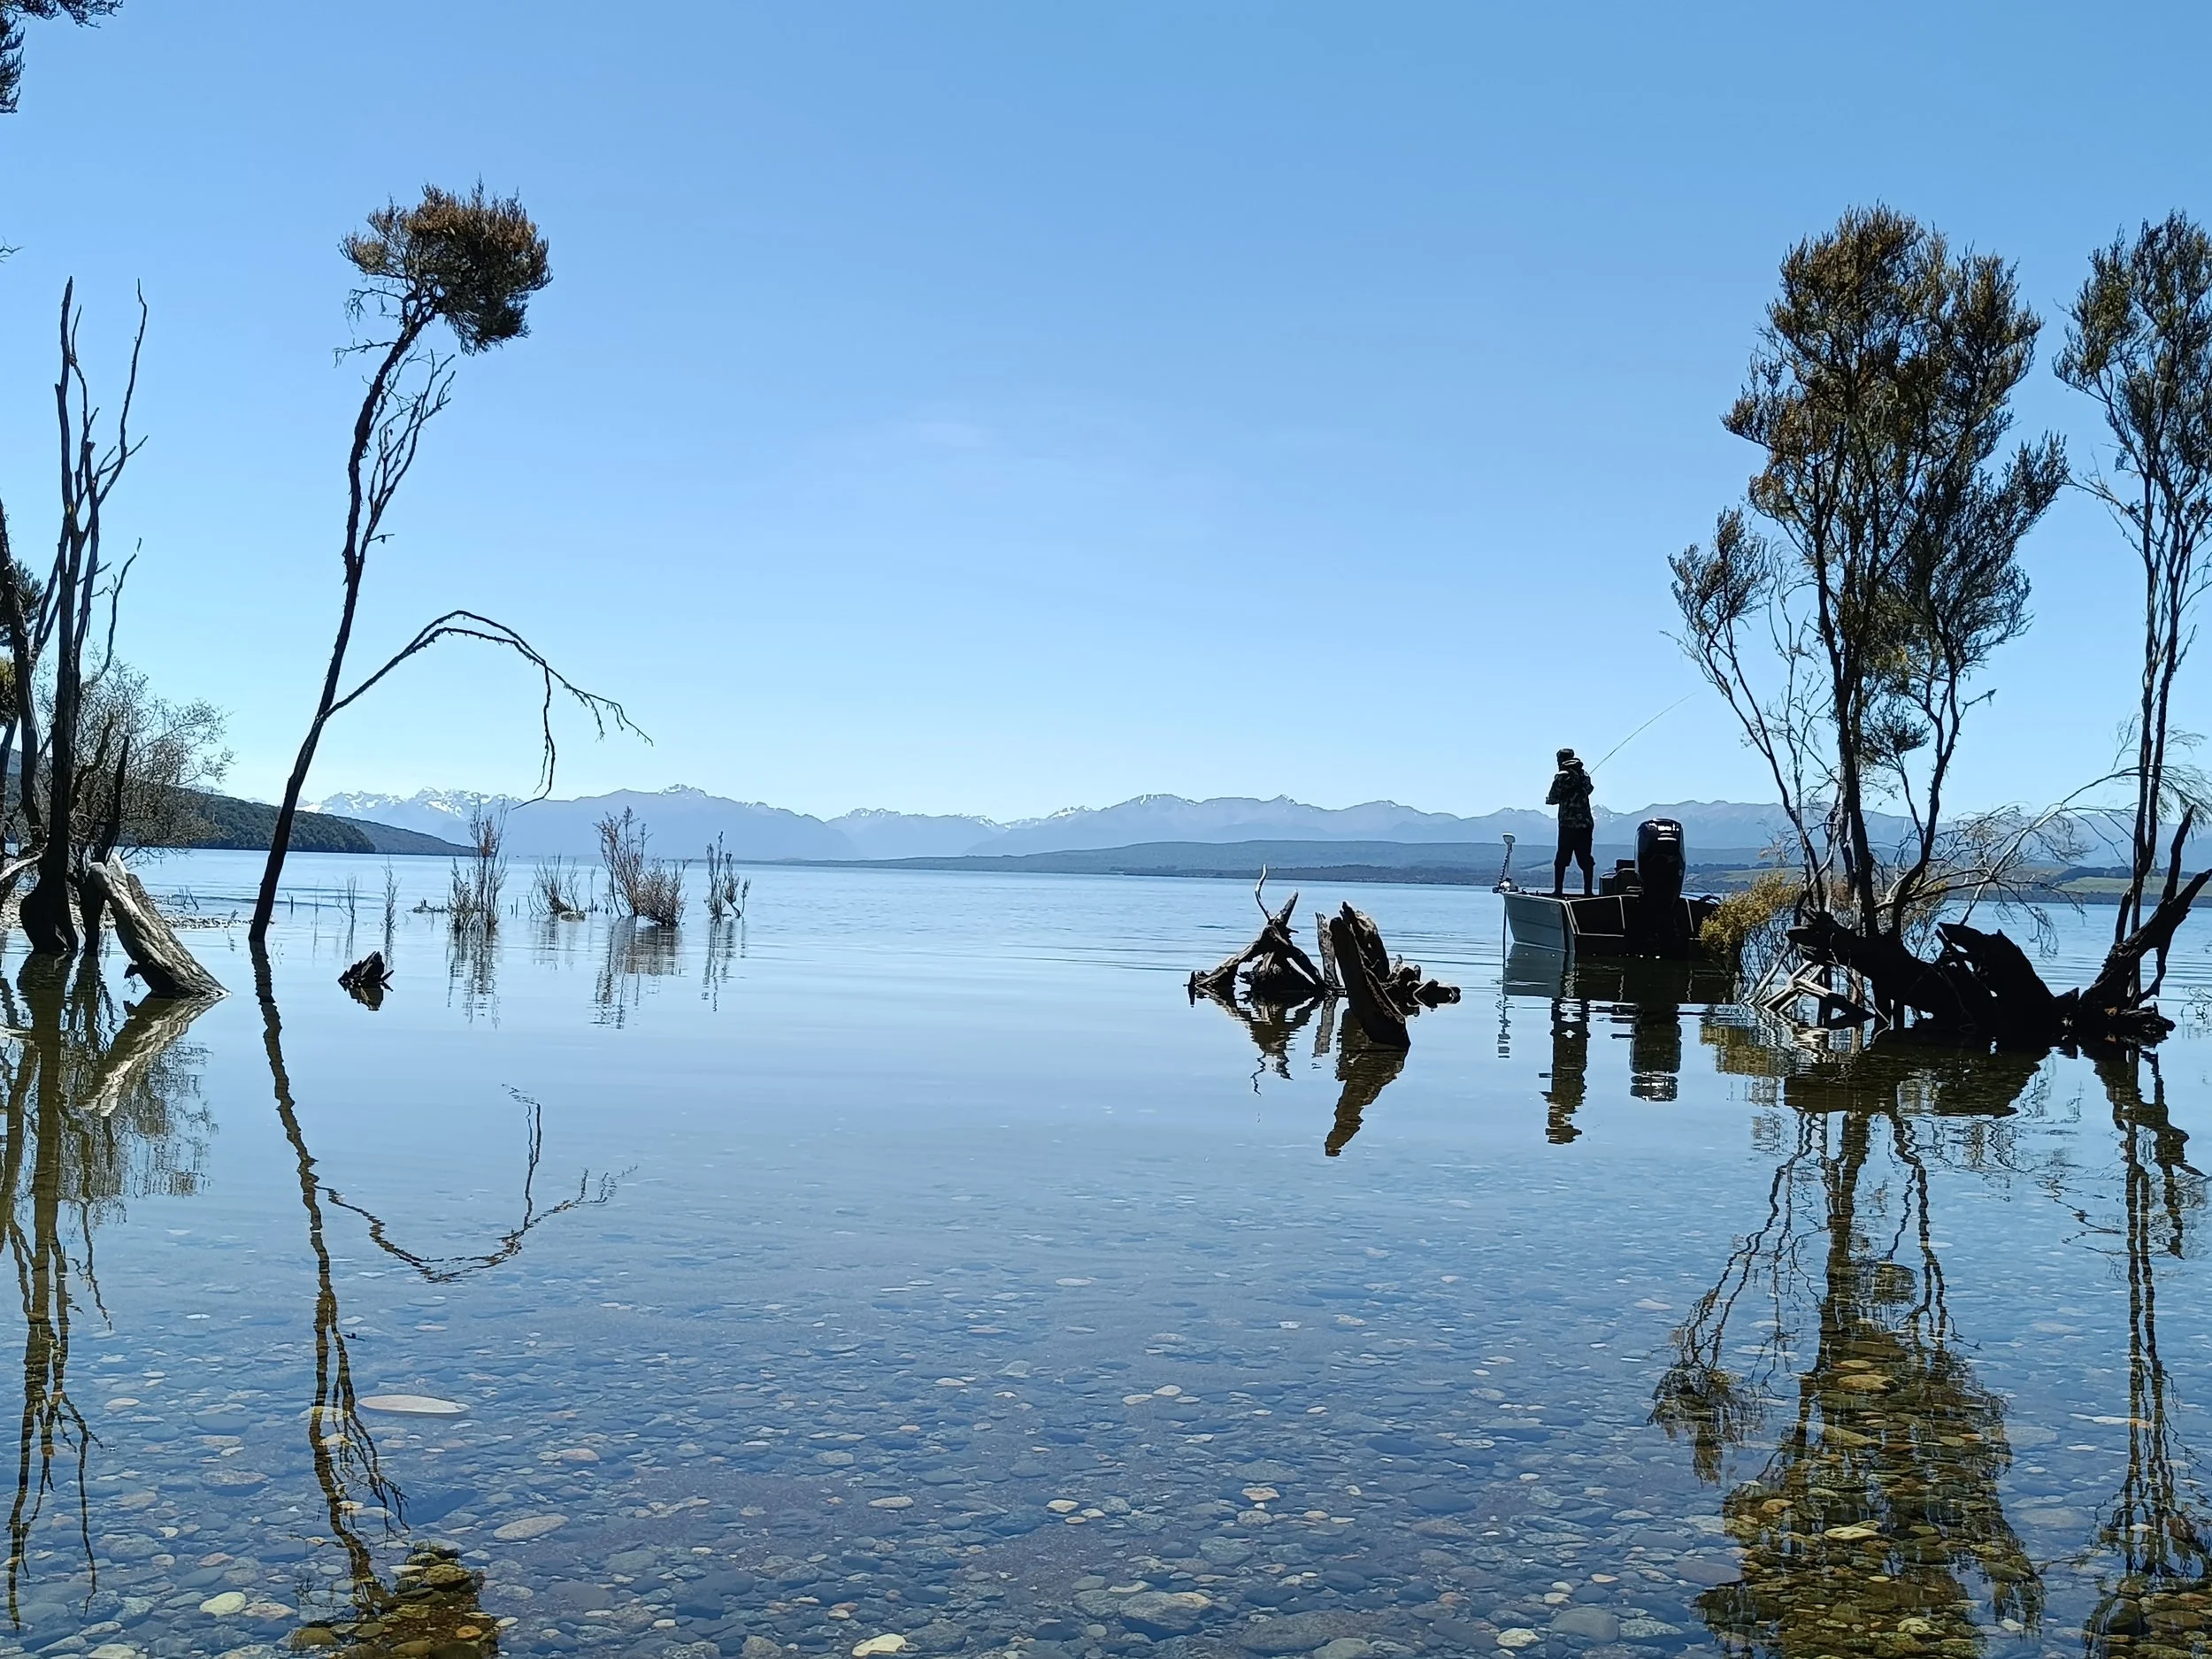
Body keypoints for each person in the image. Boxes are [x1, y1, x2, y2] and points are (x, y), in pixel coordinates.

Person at [1546, 747, 1594, 897]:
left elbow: (1553, 798)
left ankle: (1558, 891)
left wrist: (1550, 800)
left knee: (1561, 860)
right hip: (1585, 825)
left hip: (1567, 825)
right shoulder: (1584, 775)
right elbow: (1589, 790)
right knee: (1585, 859)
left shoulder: (1561, 776)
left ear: (1560, 760)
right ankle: (1588, 893)